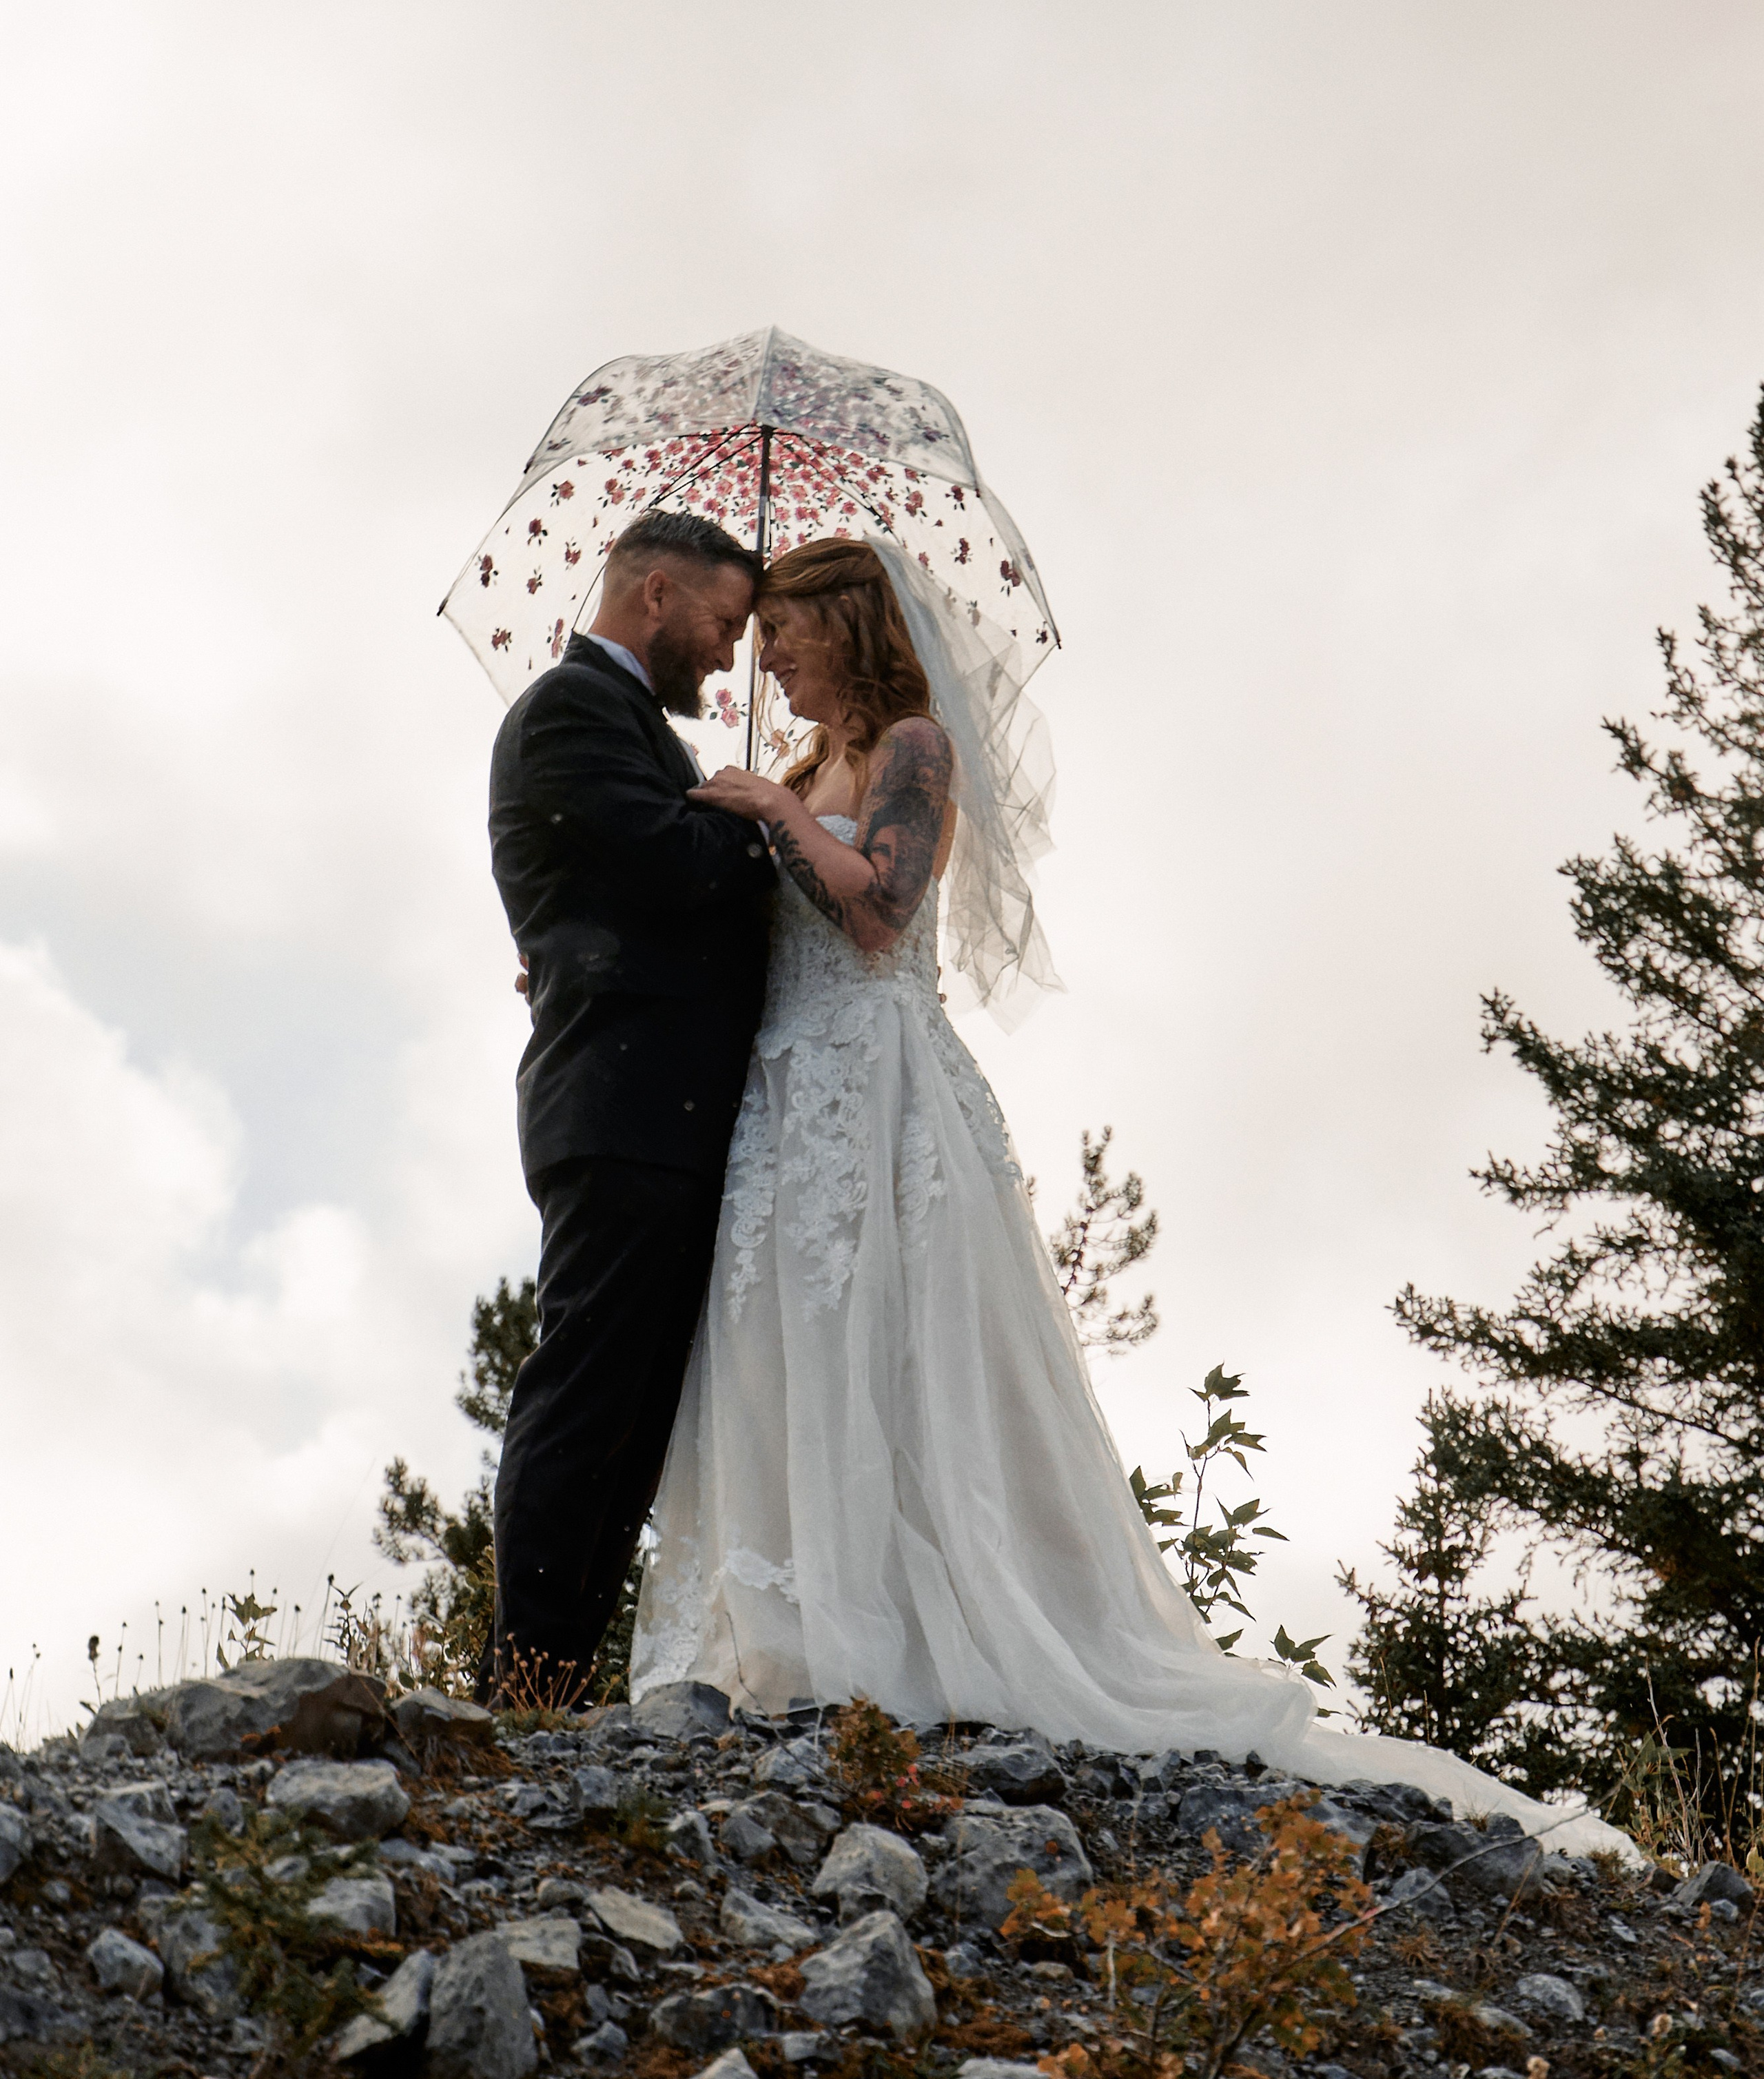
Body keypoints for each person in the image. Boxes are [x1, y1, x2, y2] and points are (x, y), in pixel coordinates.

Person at [634, 536, 1625, 1856]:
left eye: (790, 632)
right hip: (783, 1095)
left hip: (882, 1092)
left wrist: (780, 817)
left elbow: (882, 910)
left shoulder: (914, 748)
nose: (770, 656)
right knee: (789, 1345)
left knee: (912, 1350)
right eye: (759, 639)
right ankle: (801, 1626)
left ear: (850, 625)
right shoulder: (798, 770)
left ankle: (938, 1635)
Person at [480, 509, 772, 1708]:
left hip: (661, 1114)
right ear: (656, 594)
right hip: (620, 1108)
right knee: (587, 1393)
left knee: (633, 1419)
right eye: (723, 622)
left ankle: (553, 1684)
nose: (729, 654)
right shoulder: (569, 713)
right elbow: (671, 866)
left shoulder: (638, 729)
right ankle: (524, 1679)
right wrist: (770, 826)